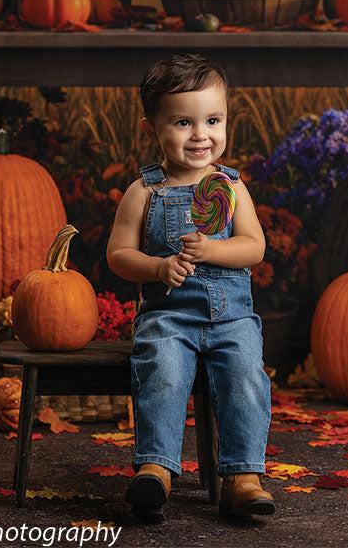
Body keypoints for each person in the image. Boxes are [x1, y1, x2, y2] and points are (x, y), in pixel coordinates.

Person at [106, 54, 274, 523]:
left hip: (232, 318)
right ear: (150, 127)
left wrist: (212, 251)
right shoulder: (144, 192)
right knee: (160, 372)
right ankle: (156, 468)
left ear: (225, 121)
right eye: (183, 122)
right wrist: (159, 268)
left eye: (213, 120)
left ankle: (242, 477)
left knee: (245, 377)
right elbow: (118, 255)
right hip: (169, 316)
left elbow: (254, 247)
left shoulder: (231, 187)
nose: (201, 135)